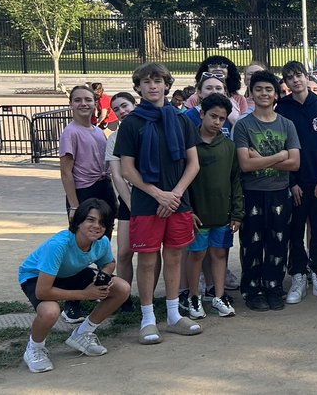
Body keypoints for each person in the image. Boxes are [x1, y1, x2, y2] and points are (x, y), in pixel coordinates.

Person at [114, 63, 202, 344]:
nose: (152, 86)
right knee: (148, 260)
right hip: (146, 203)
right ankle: (148, 318)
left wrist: (174, 195)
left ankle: (174, 315)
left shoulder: (183, 120)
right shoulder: (131, 123)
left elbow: (193, 164)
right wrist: (158, 194)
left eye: (158, 81)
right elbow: (127, 169)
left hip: (179, 201)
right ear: (137, 87)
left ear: (167, 85)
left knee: (175, 257)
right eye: (146, 82)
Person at [18, 198, 131, 373]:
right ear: (78, 221)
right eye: (90, 220)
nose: (96, 226)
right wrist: (86, 294)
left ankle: (83, 334)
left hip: (70, 271)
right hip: (36, 277)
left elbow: (109, 263)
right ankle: (34, 348)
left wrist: (102, 278)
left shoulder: (102, 242)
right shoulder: (59, 245)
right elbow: (42, 291)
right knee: (50, 311)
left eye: (102, 222)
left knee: (121, 288)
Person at [231, 70, 301, 313]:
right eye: (258, 89)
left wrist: (262, 158)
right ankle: (252, 289)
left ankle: (273, 286)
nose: (263, 93)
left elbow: (295, 163)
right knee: (252, 243)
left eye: (268, 89)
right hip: (252, 192)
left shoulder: (287, 124)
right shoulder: (243, 125)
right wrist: (279, 156)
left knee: (278, 242)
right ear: (251, 92)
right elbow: (245, 164)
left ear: (276, 94)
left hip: (280, 192)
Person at [276, 61, 317, 304]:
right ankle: (299, 275)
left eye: (298, 75)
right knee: (295, 231)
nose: (295, 80)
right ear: (286, 82)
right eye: (289, 77)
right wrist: (291, 182)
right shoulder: (282, 109)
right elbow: (281, 147)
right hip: (295, 184)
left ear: (306, 76)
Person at [59, 84, 118, 324]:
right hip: (84, 192)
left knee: (102, 245)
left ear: (96, 103)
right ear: (71, 104)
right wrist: (74, 205)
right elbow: (66, 172)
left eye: (88, 100)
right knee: (79, 248)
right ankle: (72, 303)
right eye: (78, 100)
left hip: (103, 189)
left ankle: (101, 291)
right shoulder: (70, 132)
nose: (84, 104)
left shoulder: (96, 131)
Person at [184, 93, 243, 318]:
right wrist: (187, 211)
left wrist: (237, 212)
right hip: (198, 216)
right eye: (213, 116)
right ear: (201, 114)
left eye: (222, 118)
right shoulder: (191, 146)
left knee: (220, 254)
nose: (216, 122)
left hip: (223, 215)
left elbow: (235, 180)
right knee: (197, 255)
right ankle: (193, 297)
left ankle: (219, 295)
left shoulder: (228, 146)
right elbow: (184, 182)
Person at [103, 91, 139, 305]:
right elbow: (117, 175)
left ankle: (148, 297)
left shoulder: (147, 129)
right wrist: (132, 205)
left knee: (150, 253)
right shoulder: (114, 139)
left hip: (153, 196)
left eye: (125, 106)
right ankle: (124, 298)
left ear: (134, 104)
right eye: (116, 109)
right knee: (124, 252)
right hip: (129, 200)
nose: (122, 111)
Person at [183, 56, 250, 116]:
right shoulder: (195, 98)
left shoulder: (239, 99)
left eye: (223, 66)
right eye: (213, 66)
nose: (218, 68)